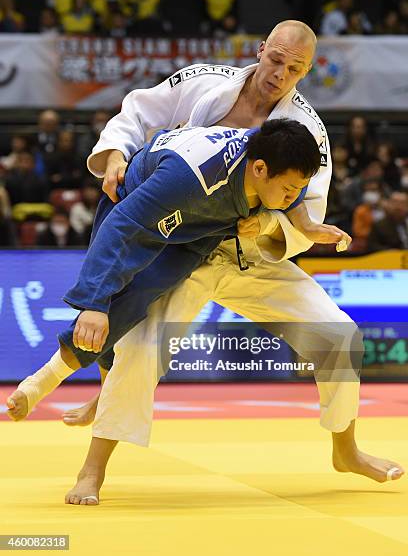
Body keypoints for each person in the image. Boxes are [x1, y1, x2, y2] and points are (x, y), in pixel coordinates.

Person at [10, 20, 404, 504]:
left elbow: (306, 208)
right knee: (141, 349)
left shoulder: (308, 131)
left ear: (308, 71)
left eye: (294, 67)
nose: (280, 72)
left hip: (254, 257)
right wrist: (114, 154)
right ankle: (93, 471)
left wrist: (266, 227)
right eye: (275, 59)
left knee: (338, 335)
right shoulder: (204, 80)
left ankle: (347, 449)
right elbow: (137, 110)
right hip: (185, 246)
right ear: (262, 50)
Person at [8, 118, 343, 420]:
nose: (294, 196)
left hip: (200, 228)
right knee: (111, 304)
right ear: (259, 170)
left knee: (137, 303)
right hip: (140, 203)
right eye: (288, 189)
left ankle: (103, 401)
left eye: (298, 189)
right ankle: (43, 381)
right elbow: (121, 225)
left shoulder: (271, 153)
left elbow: (291, 190)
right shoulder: (189, 179)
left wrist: (308, 226)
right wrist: (93, 304)